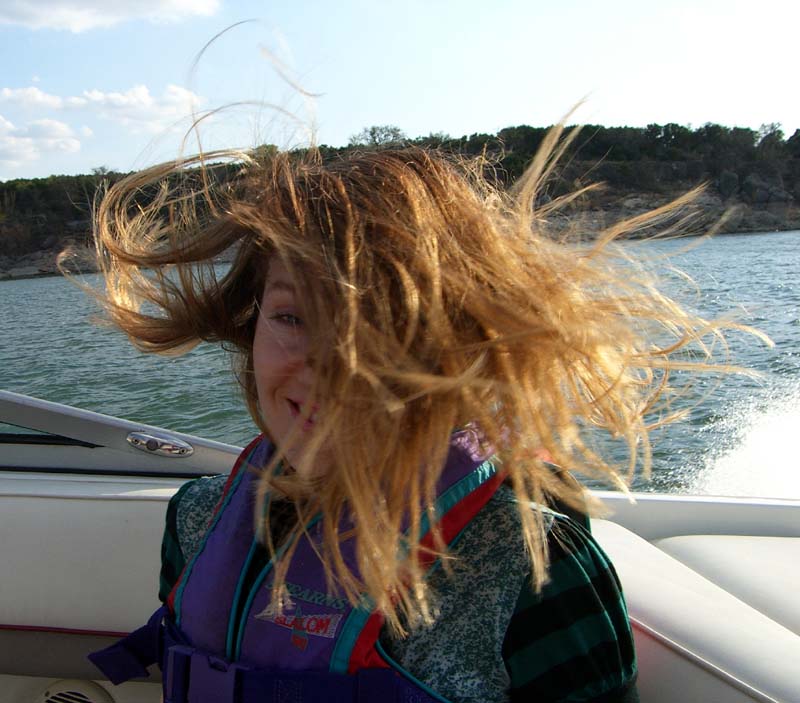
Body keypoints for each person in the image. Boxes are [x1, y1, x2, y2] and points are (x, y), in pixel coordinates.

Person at [86, 133, 724, 702]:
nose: (330, 366)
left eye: (382, 327)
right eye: (291, 317)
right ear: (251, 328)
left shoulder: (535, 561)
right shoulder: (197, 519)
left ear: (462, 345)